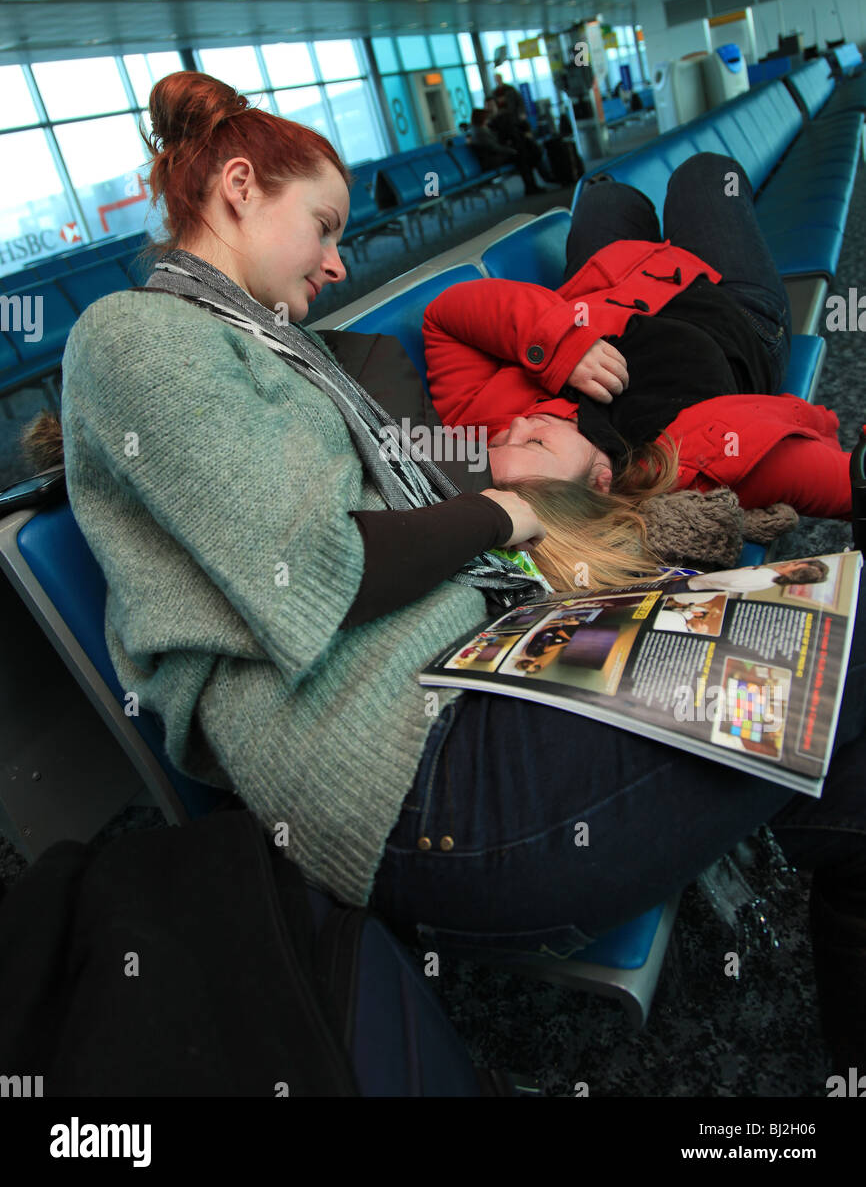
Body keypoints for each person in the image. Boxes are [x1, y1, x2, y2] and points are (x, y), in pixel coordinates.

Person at [22, 76, 866, 1075]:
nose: (339, 261)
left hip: (487, 674)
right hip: (424, 775)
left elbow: (386, 497)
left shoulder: (264, 345)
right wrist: (517, 506)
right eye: (324, 226)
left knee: (836, 694)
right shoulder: (135, 336)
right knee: (839, 657)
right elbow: (319, 569)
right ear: (240, 187)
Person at [422, 155, 855, 595]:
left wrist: (562, 346)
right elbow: (845, 481)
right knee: (705, 173)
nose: (514, 426)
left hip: (606, 283)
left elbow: (446, 315)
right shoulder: (690, 460)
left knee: (604, 194)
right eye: (534, 442)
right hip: (737, 313)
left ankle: (622, 200)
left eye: (499, 443)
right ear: (600, 481)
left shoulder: (474, 427)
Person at [685, 560, 829, 593]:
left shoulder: (764, 576)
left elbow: (725, 580)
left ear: (794, 574)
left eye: (794, 565)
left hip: (692, 584)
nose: (790, 563)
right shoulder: (768, 580)